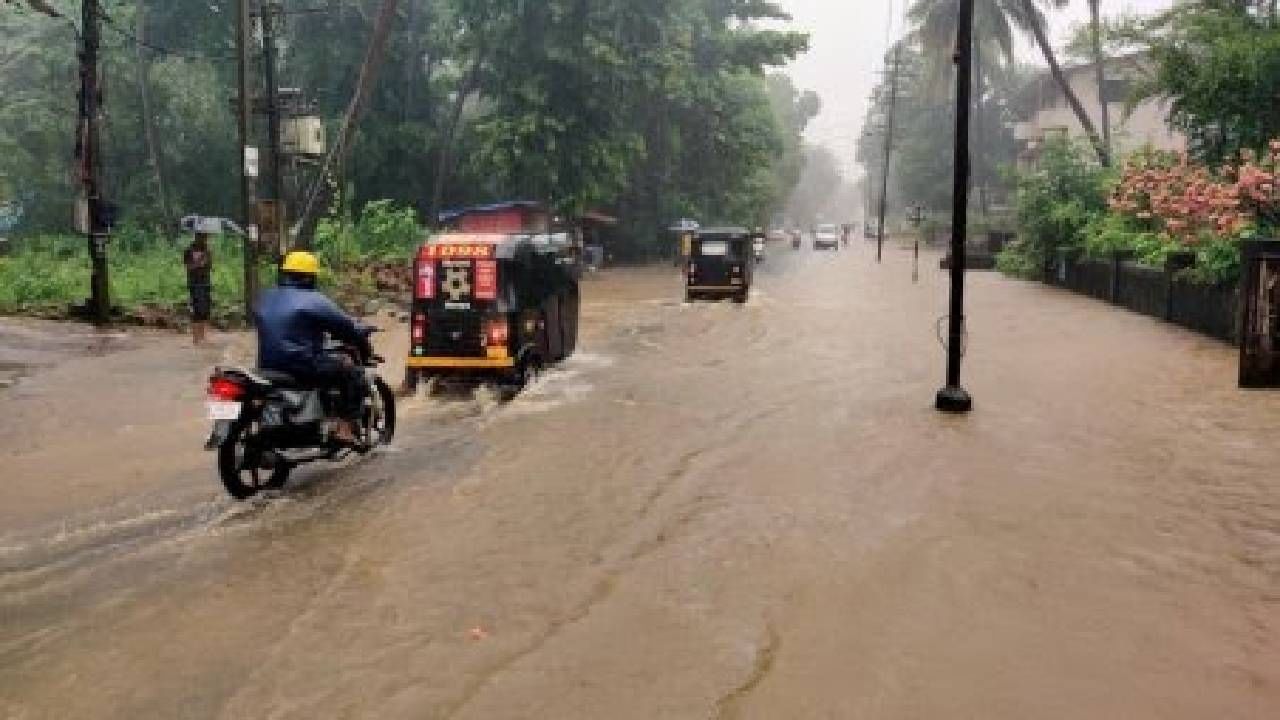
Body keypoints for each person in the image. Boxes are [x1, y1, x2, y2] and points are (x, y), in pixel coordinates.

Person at [253, 251, 370, 444]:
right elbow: (344, 325)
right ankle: (344, 427)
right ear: (310, 276)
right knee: (351, 371)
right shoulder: (314, 300)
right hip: (302, 365)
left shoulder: (265, 297)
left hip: (266, 365)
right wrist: (361, 329)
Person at [183, 231, 214, 345]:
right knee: (196, 308)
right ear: (197, 236)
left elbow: (209, 266)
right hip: (194, 283)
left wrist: (205, 261)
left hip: (205, 282)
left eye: (206, 237)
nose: (205, 239)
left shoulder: (207, 251)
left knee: (205, 309)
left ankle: (203, 336)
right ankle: (195, 338)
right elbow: (188, 266)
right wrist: (198, 263)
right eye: (202, 236)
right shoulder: (189, 250)